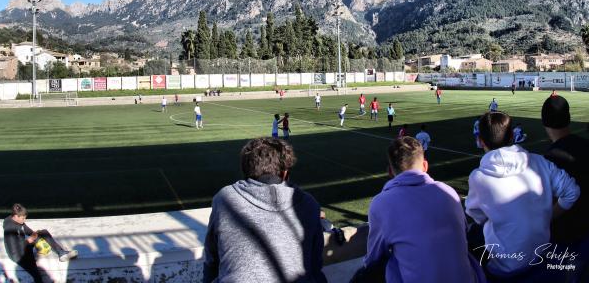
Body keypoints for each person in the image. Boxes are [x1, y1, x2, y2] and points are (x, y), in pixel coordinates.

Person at [351, 137, 485, 283]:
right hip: (470, 278)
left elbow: (373, 259)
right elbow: (462, 234)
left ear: (390, 171)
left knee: (365, 276)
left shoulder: (382, 203)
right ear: (425, 166)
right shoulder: (448, 191)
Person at [465, 111, 580, 278]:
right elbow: (572, 192)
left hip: (504, 267)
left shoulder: (478, 177)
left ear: (480, 141)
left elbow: (476, 215)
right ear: (512, 136)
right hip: (542, 256)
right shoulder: (540, 162)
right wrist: (547, 215)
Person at [203, 138, 327, 283]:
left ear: (246, 169)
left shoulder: (224, 198)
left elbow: (211, 259)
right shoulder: (309, 204)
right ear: (285, 173)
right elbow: (315, 263)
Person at [542, 95, 589, 244]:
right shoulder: (586, 145)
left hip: (566, 235)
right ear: (568, 118)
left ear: (544, 121)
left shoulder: (550, 158)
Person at [3, 204, 78, 283]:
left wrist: (35, 235)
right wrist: (29, 240)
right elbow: (14, 250)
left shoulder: (17, 220)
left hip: (24, 246)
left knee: (44, 232)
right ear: (15, 216)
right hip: (18, 256)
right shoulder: (10, 229)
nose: (24, 220)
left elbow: (25, 229)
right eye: (23, 218)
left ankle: (61, 253)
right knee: (37, 275)